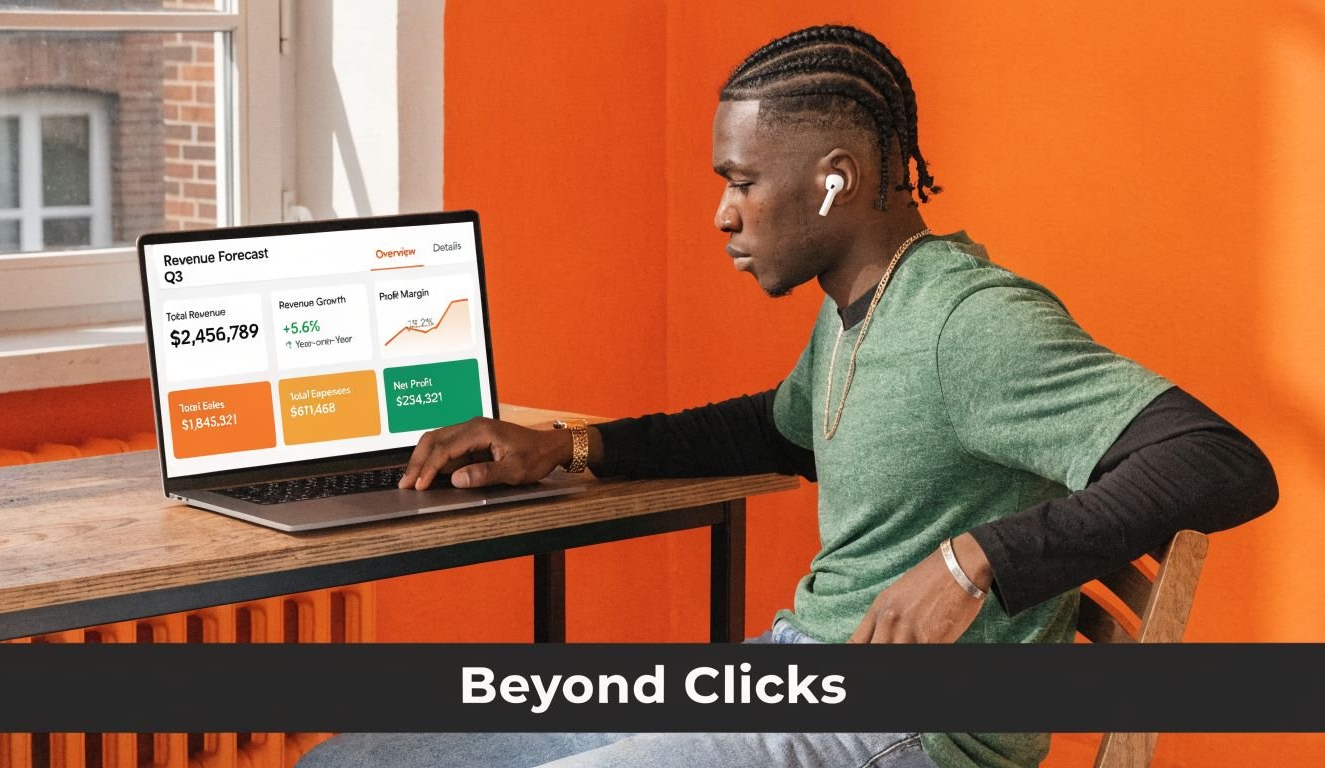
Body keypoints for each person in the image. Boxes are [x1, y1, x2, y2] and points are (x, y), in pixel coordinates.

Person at [298, 24, 1277, 768]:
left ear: (833, 181)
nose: (723, 213)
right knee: (374, 751)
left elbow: (1224, 460)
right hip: (789, 667)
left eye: (744, 181)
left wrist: (977, 561)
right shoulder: (860, 306)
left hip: (898, 733)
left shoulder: (969, 321)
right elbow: (773, 427)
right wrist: (571, 450)